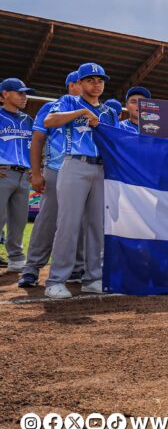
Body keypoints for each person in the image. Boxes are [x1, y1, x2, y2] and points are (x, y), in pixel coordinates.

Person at [42, 63, 120, 299]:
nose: (96, 84)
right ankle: (56, 280)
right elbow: (49, 121)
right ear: (80, 82)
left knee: (97, 225)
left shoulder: (109, 112)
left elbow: (116, 141)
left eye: (100, 80)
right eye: (90, 80)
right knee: (69, 223)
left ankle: (93, 278)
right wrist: (82, 113)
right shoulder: (69, 101)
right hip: (75, 164)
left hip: (102, 168)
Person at [18, 72, 87, 287]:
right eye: (83, 82)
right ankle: (32, 268)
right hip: (56, 169)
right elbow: (38, 139)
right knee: (48, 220)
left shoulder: (94, 109)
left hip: (83, 171)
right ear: (73, 85)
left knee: (80, 222)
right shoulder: (51, 107)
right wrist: (36, 172)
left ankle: (77, 267)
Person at [0, 78, 35, 274]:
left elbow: (35, 146)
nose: (24, 96)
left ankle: (16, 257)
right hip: (3, 172)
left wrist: (34, 169)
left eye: (25, 93)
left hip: (24, 174)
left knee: (19, 221)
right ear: (5, 94)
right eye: (20, 92)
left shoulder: (28, 120)